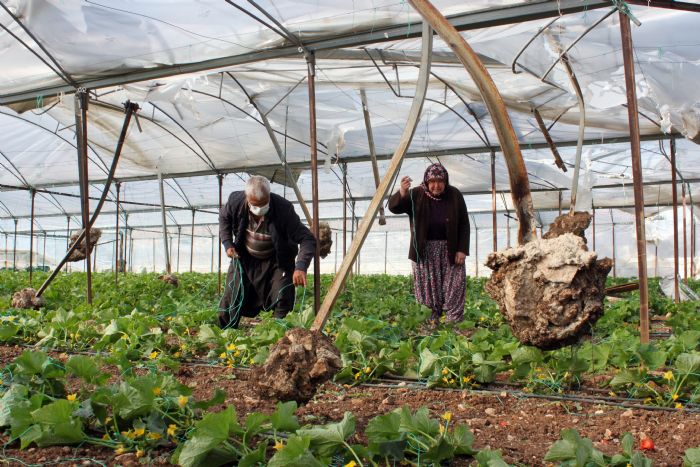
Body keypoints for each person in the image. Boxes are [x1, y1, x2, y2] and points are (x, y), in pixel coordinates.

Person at [218, 175, 316, 328]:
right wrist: (227, 243)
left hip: (277, 260)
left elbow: (307, 239)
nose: (259, 209)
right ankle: (225, 333)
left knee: (283, 295)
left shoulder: (283, 209)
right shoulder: (235, 201)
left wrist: (301, 266)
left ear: (269, 196)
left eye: (263, 204)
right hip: (245, 257)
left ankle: (279, 335)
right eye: (254, 205)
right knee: (232, 293)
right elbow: (224, 218)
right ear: (247, 198)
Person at [388, 163, 470, 324]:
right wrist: (403, 192)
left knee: (455, 284)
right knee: (428, 288)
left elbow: (464, 224)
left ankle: (453, 323)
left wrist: (462, 249)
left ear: (445, 181)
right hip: (424, 250)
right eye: (432, 181)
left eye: (440, 181)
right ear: (426, 181)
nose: (436, 185)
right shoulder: (416, 194)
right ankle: (431, 323)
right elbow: (394, 207)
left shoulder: (454, 195)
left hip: (450, 248)